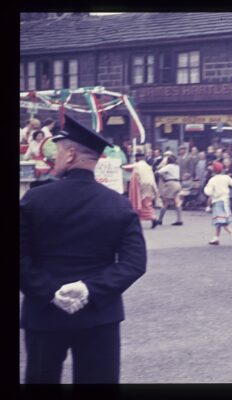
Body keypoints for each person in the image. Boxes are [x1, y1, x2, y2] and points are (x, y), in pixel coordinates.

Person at [20, 114, 146, 383]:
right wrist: (91, 289)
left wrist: (50, 292)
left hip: (44, 314)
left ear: (70, 154)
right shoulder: (118, 204)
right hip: (99, 315)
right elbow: (134, 263)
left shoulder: (35, 198)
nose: (54, 158)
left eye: (58, 151)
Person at [203, 161, 232, 246]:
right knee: (219, 221)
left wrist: (206, 189)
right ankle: (216, 238)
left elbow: (208, 192)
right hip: (226, 201)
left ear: (214, 170)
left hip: (217, 202)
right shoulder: (226, 178)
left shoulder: (212, 180)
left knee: (222, 222)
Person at [122, 152, 160, 229]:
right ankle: (147, 220)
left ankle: (153, 219)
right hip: (148, 187)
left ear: (138, 158)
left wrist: (119, 166)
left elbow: (127, 167)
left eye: (136, 158)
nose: (135, 159)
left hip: (140, 188)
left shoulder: (138, 164)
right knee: (146, 203)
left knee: (143, 204)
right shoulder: (147, 166)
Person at [156, 155, 184, 226]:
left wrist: (163, 177)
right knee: (177, 201)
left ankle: (160, 219)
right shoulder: (177, 166)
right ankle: (179, 219)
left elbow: (159, 172)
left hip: (170, 183)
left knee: (165, 202)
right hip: (178, 183)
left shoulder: (169, 166)